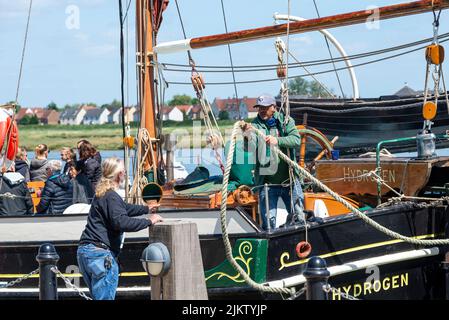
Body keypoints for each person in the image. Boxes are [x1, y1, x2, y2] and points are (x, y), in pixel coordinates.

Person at [77, 157, 162, 300]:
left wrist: (146, 209)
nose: (125, 173)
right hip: (100, 255)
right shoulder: (111, 196)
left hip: (86, 252)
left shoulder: (103, 193)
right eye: (124, 170)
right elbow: (121, 222)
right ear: (119, 174)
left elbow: (123, 209)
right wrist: (149, 221)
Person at [242, 95, 305, 230]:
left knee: (299, 218)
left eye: (265, 108)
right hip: (268, 184)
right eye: (260, 108)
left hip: (290, 181)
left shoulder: (286, 121)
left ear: (274, 108)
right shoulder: (254, 125)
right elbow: (249, 149)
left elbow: (296, 140)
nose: (262, 111)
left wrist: (278, 140)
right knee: (268, 224)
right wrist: (246, 137)